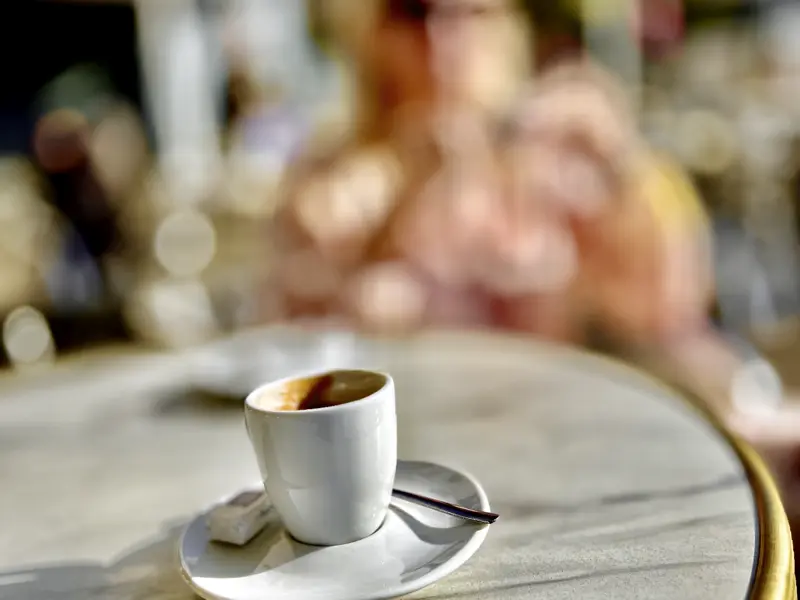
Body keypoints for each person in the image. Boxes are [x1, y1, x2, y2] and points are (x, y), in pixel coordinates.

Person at [262, 0, 793, 528]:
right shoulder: (333, 175)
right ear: (373, 33)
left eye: (472, 13)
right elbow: (293, 360)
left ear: (507, 29)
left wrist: (622, 168)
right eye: (415, 14)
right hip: (410, 481)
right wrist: (398, 218)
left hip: (565, 450)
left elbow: (665, 304)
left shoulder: (545, 153)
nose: (443, 39)